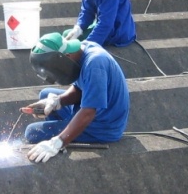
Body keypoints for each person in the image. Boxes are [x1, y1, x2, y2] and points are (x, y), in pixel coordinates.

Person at [24, 32, 129, 163]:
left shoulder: (94, 64)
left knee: (32, 132)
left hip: (104, 125)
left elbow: (88, 112)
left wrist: (58, 142)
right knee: (46, 94)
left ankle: (65, 134)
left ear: (65, 57)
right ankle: (67, 127)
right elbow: (81, 89)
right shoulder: (82, 49)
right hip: (91, 110)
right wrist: (58, 101)